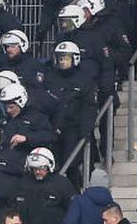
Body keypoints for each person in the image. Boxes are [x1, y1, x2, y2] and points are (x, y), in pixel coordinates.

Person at [41, 43, 97, 180]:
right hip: (52, 129)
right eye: (60, 58)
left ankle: (74, 191)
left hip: (73, 129)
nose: (62, 61)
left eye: (66, 58)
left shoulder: (85, 79)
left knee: (71, 164)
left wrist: (85, 131)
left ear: (75, 59)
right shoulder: (50, 78)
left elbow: (90, 107)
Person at [14, 149, 77, 224]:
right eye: (34, 169)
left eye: (41, 168)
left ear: (49, 166)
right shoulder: (23, 183)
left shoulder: (62, 184)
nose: (38, 172)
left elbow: (73, 210)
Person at [0, 84, 58, 158]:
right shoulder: (5, 120)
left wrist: (26, 138)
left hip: (30, 158)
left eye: (11, 107)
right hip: (8, 160)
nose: (8, 110)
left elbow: (50, 136)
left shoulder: (35, 116)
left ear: (20, 102)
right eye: (5, 107)